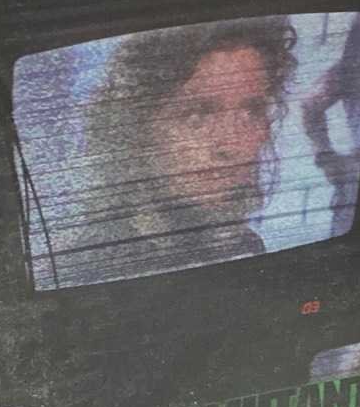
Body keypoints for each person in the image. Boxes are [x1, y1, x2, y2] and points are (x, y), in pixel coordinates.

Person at [50, 17, 297, 286]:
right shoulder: (93, 263)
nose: (231, 145)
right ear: (136, 130)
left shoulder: (242, 244)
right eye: (197, 116)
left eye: (252, 112)